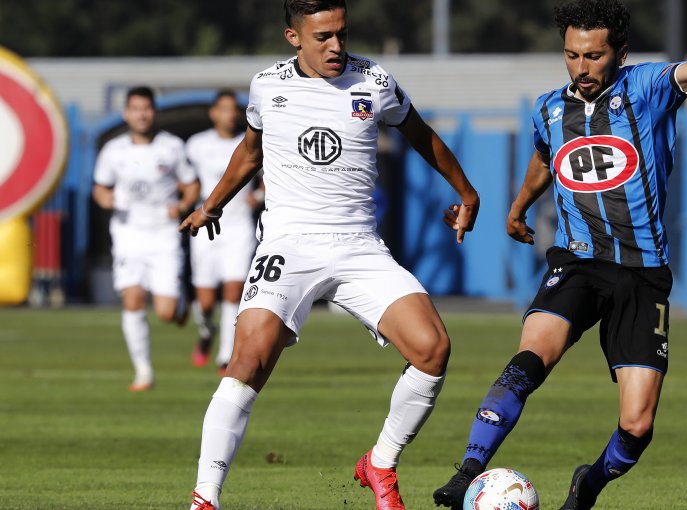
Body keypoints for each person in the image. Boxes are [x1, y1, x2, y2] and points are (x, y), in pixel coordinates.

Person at [433, 1, 687, 509]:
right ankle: (468, 472)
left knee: (637, 425)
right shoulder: (550, 107)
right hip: (577, 263)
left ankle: (588, 484)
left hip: (642, 275)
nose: (581, 67)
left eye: (594, 56)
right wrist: (518, 206)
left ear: (621, 52)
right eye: (572, 55)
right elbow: (544, 155)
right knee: (528, 359)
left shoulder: (649, 87)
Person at [180, 1, 480, 509]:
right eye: (322, 37)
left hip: (359, 245)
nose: (336, 46)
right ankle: (205, 499)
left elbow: (420, 135)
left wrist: (468, 195)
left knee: (432, 350)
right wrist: (211, 205)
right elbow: (250, 153)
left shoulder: (374, 81)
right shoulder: (267, 86)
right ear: (293, 37)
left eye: (341, 33)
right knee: (248, 361)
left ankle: (380, 463)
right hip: (287, 244)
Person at [92, 86, 199, 392]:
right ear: (126, 113)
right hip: (128, 235)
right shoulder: (114, 150)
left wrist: (181, 206)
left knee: (165, 312)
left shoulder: (171, 147)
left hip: (163, 235)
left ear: (154, 112)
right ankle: (143, 373)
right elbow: (100, 189)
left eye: (146, 108)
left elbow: (191, 185)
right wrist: (109, 201)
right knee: (133, 298)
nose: (141, 114)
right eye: (135, 108)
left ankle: (180, 307)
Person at [185, 90, 262, 374]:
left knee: (233, 291)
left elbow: (268, 178)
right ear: (213, 113)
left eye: (234, 109)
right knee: (205, 301)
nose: (230, 114)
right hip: (206, 227)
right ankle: (206, 331)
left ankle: (225, 357)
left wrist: (260, 196)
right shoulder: (196, 145)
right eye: (224, 109)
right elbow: (186, 180)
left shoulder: (252, 142)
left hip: (239, 226)